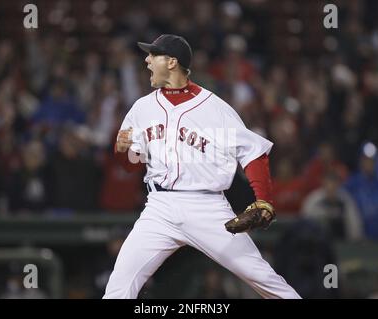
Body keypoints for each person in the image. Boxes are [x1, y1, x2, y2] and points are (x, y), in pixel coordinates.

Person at [103, 34, 300, 299]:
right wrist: (123, 151)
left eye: (153, 56)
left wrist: (263, 199)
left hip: (207, 208)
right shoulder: (142, 108)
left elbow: (254, 153)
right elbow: (131, 165)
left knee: (264, 279)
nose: (147, 61)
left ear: (172, 62)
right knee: (120, 286)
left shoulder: (216, 109)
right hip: (158, 208)